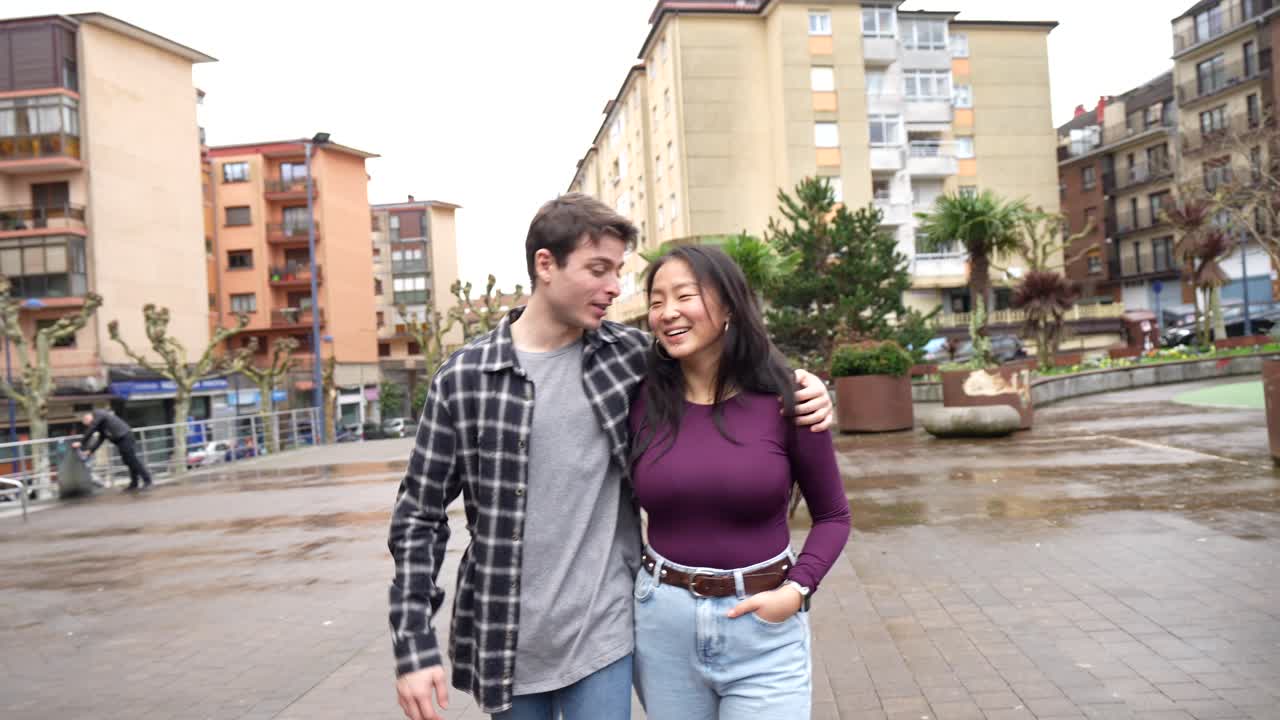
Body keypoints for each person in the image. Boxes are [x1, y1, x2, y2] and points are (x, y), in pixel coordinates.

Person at [388, 194, 833, 720]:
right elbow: (419, 518)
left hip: (608, 631)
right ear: (545, 265)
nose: (615, 287)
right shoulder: (465, 379)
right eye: (599, 270)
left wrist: (808, 387)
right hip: (506, 640)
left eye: (619, 271)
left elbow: (724, 354)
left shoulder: (629, 358)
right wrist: (413, 648)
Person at [629, 245, 851, 719]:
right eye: (656, 301)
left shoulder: (788, 399)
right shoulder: (639, 398)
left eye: (684, 296)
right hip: (662, 624)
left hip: (763, 628)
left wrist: (797, 591)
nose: (668, 313)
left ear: (728, 304)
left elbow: (834, 515)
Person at [73, 410, 152, 491]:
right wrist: (90, 451)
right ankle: (134, 483)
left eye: (88, 424)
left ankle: (148, 481)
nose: (89, 426)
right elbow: (101, 439)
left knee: (132, 460)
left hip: (125, 437)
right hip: (121, 440)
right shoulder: (100, 425)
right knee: (128, 461)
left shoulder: (99, 414)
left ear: (88, 418)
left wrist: (81, 442)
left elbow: (92, 428)